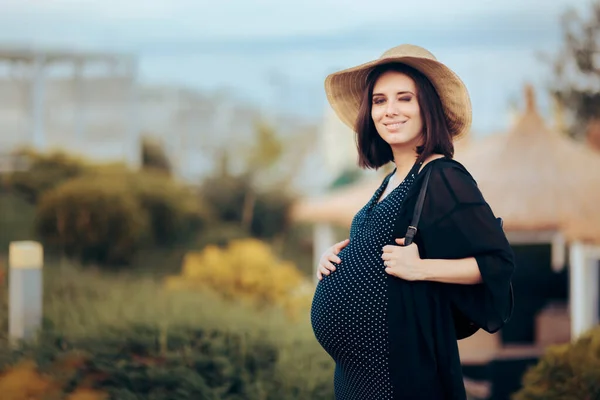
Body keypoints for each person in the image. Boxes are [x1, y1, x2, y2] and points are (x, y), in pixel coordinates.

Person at [310, 44, 515, 400]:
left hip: (398, 379)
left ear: (427, 108)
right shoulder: (390, 179)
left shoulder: (443, 176)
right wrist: (336, 259)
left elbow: (497, 263)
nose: (390, 110)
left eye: (404, 98)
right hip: (355, 379)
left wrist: (421, 268)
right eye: (379, 100)